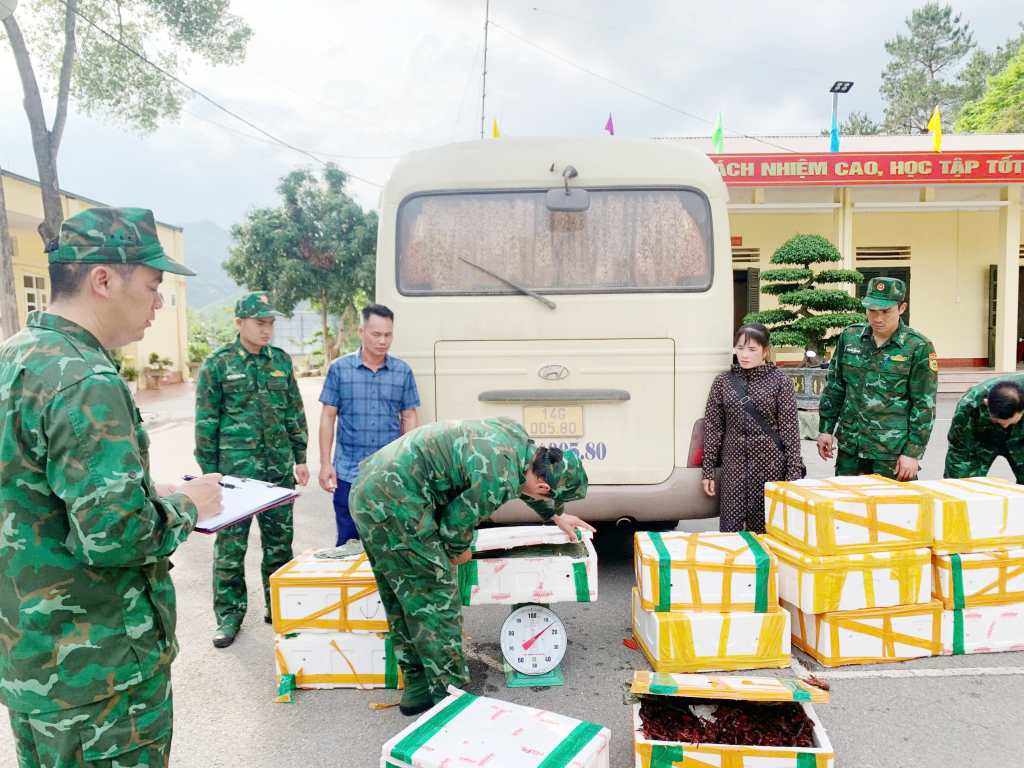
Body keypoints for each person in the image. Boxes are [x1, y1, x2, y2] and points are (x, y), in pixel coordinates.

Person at [0, 207, 223, 768]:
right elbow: (114, 535)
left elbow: (36, 496)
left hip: (31, 662)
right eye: (153, 286)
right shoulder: (86, 379)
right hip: (100, 674)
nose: (158, 304)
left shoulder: (15, 358)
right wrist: (184, 505)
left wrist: (142, 491)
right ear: (103, 279)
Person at [349, 417, 592, 715]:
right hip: (397, 503)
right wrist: (458, 552)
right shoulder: (499, 478)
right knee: (436, 602)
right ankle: (450, 701)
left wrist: (555, 515)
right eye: (547, 495)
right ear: (542, 484)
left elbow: (521, 484)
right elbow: (454, 527)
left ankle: (417, 687)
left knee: (403, 594)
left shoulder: (516, 441)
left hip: (370, 489)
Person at [194, 292, 310, 649]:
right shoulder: (217, 364)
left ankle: (279, 608)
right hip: (234, 477)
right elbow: (206, 421)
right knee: (230, 549)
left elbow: (293, 410)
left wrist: (300, 455)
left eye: (271, 322)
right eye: (261, 323)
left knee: (279, 546)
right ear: (240, 323)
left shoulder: (280, 361)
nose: (267, 329)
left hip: (276, 471)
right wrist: (210, 473)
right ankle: (228, 617)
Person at [817, 277, 938, 480]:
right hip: (851, 448)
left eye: (885, 311)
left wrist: (913, 453)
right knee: (848, 507)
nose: (877, 318)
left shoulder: (917, 346)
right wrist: (826, 429)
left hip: (891, 452)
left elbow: (924, 405)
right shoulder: (850, 337)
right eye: (872, 310)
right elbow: (835, 387)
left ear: (902, 308)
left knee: (895, 509)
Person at [318, 303, 419, 545]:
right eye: (376, 334)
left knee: (391, 545)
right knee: (348, 544)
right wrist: (324, 463)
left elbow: (409, 417)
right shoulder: (339, 370)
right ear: (362, 333)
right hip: (349, 474)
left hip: (390, 475)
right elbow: (328, 417)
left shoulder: (403, 372)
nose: (382, 341)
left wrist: (413, 464)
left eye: (388, 334)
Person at [701, 323, 804, 533]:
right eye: (740, 348)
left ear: (766, 351)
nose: (744, 354)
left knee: (769, 533)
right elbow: (713, 428)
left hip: (771, 468)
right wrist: (708, 470)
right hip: (734, 469)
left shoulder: (780, 382)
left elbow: (790, 431)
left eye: (752, 349)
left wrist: (793, 475)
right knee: (732, 534)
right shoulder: (723, 382)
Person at [945, 375, 1024, 482]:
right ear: (986, 403)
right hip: (981, 439)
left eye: (1012, 422)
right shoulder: (969, 405)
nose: (1005, 427)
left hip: (1021, 437)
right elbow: (959, 451)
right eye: (997, 422)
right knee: (963, 485)